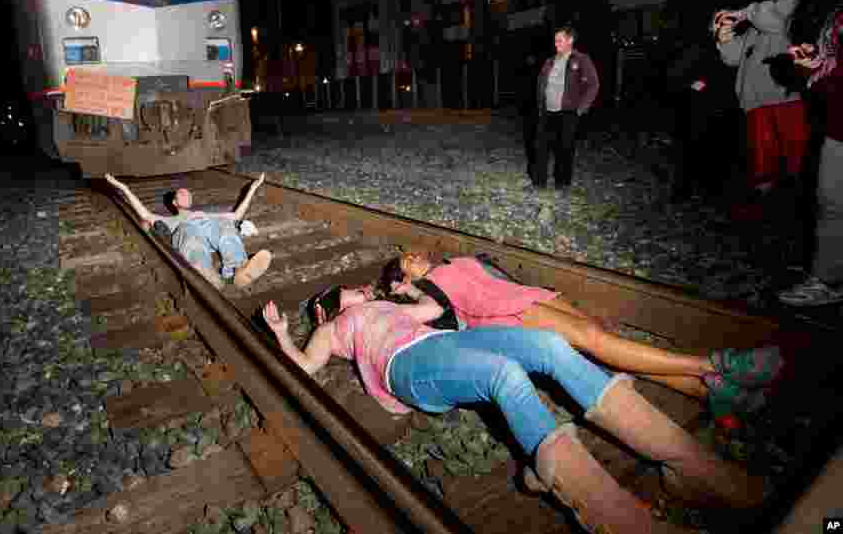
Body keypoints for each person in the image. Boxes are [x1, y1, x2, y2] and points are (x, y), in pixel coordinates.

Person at [262, 286, 765, 534]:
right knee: (506, 377)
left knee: (549, 346)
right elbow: (306, 367)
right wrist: (285, 336)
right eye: (350, 294)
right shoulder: (334, 326)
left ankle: (690, 466)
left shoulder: (385, 306)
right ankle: (621, 519)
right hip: (406, 366)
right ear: (330, 307)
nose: (363, 292)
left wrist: (411, 292)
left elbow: (435, 313)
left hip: (440, 341)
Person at [380, 252, 782, 418]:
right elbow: (436, 318)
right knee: (598, 343)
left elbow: (493, 275)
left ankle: (710, 394)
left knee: (603, 343)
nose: (414, 257)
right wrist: (403, 292)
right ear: (401, 283)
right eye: (405, 264)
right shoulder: (425, 291)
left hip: (530, 298)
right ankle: (716, 364)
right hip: (511, 315)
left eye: (412, 255)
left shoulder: (448, 263)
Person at [777, 0, 843, 307]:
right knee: (831, 198)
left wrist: (814, 72)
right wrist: (815, 61)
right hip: (836, 120)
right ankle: (828, 277)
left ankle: (828, 278)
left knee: (832, 197)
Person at [714, 0, 809, 217]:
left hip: (785, 99)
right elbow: (735, 58)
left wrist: (742, 12)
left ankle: (799, 208)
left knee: (794, 156)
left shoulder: (793, 9)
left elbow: (771, 19)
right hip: (755, 101)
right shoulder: (758, 23)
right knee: (761, 160)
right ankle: (765, 210)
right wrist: (724, 39)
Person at [104, 173, 272, 289]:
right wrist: (124, 188)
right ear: (174, 203)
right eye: (181, 193)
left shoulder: (204, 214)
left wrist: (253, 189)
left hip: (209, 228)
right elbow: (144, 214)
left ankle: (239, 268)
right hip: (189, 236)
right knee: (187, 232)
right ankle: (206, 272)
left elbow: (236, 215)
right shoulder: (170, 220)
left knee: (225, 226)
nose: (185, 192)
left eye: (187, 193)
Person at [665, 37, 741, 203]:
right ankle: (684, 191)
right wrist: (693, 85)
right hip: (694, 111)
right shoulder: (697, 50)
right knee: (689, 151)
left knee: (711, 152)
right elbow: (676, 77)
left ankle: (709, 190)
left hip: (717, 111)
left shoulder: (731, 51)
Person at [531, 25, 600, 189]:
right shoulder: (550, 61)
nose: (556, 44)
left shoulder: (581, 59)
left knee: (565, 149)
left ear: (570, 40)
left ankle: (562, 183)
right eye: (555, 40)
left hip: (568, 112)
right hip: (547, 111)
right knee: (540, 147)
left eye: (559, 40)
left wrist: (581, 108)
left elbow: (594, 85)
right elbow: (541, 83)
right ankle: (539, 182)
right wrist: (540, 104)